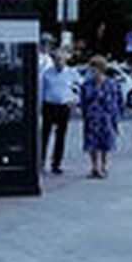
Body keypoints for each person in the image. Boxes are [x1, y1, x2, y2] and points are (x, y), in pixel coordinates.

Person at [78, 55, 123, 179]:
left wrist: (117, 118)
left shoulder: (111, 83)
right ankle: (94, 167)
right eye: (92, 69)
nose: (93, 71)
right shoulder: (87, 84)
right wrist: (84, 113)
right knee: (92, 143)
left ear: (101, 68)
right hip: (92, 117)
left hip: (106, 117)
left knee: (105, 143)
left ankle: (103, 166)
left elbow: (118, 100)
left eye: (95, 68)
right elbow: (83, 101)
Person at [40, 46, 77, 175]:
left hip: (63, 106)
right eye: (56, 59)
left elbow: (77, 87)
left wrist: (74, 100)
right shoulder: (47, 73)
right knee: (45, 135)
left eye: (61, 59)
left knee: (61, 136)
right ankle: (41, 162)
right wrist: (40, 105)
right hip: (49, 105)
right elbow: (41, 90)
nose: (58, 62)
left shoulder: (71, 73)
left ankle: (56, 164)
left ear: (65, 60)